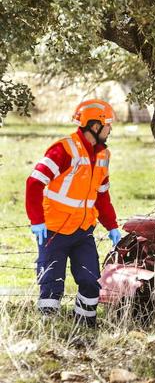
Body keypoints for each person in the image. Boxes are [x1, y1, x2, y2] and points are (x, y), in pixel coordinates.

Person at [25, 99, 121, 327]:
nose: (111, 130)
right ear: (95, 126)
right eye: (108, 125)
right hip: (54, 231)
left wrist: (112, 225)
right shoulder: (64, 149)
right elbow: (34, 182)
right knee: (52, 284)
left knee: (90, 282)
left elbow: (102, 195)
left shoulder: (103, 156)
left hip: (82, 232)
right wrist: (37, 220)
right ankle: (48, 332)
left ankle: (85, 328)